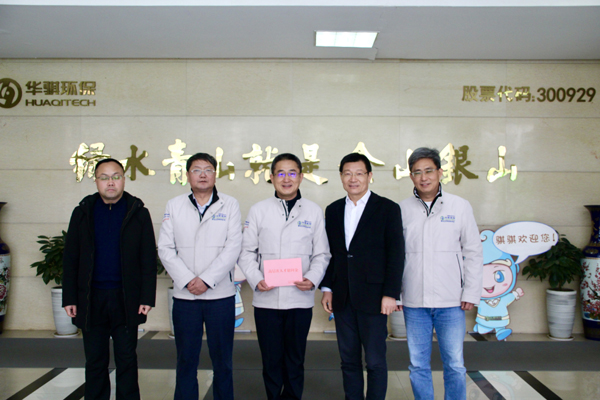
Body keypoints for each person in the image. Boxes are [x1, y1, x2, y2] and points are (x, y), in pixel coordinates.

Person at [238, 153, 331, 400]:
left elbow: (322, 253)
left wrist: (312, 278)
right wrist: (256, 278)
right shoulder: (258, 210)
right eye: (280, 173)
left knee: (295, 359)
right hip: (266, 299)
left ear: (300, 177)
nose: (286, 178)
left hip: (299, 299)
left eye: (292, 173)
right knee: (270, 359)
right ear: (271, 177)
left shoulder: (313, 211)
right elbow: (246, 252)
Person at [62, 158, 157, 400]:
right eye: (104, 178)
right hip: (91, 298)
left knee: (127, 358)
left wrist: (147, 297)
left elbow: (148, 258)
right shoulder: (82, 212)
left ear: (124, 180)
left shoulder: (138, 213)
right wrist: (70, 297)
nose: (110, 182)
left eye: (116, 177)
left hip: (126, 298)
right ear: (96, 181)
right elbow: (71, 258)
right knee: (95, 360)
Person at [399, 147, 483, 400]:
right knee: (417, 365)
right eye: (417, 172)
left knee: (455, 364)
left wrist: (470, 292)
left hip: (451, 301)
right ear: (411, 176)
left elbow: (473, 251)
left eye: (428, 171)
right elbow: (395, 256)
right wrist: (396, 294)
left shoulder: (460, 206)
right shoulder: (401, 209)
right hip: (414, 301)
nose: (423, 177)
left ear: (440, 172)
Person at [158, 152, 242, 400]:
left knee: (223, 361)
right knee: (186, 359)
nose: (202, 175)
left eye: (208, 170)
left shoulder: (230, 204)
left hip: (220, 296)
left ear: (215, 174)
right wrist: (187, 280)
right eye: (196, 170)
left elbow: (233, 246)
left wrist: (206, 280)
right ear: (187, 175)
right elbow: (165, 248)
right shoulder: (174, 205)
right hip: (186, 298)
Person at [320, 152, 404, 400]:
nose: (353, 179)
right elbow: (331, 253)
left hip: (375, 297)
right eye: (347, 173)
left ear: (369, 176)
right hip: (342, 296)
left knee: (375, 360)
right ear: (341, 177)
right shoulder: (333, 210)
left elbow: (396, 254)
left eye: (359, 173)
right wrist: (327, 288)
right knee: (348, 360)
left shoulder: (388, 208)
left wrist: (391, 294)